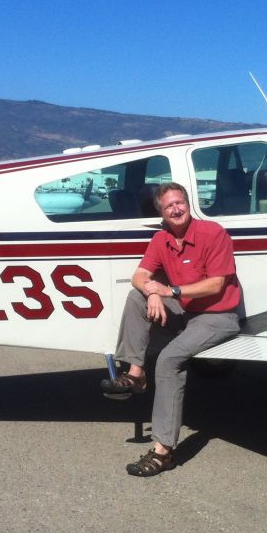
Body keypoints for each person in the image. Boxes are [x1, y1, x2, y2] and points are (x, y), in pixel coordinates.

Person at [101, 182, 241, 476]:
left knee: (168, 359)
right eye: (169, 206)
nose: (176, 209)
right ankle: (135, 374)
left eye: (180, 203)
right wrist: (153, 292)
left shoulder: (212, 233)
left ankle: (163, 451)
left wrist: (169, 291)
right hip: (187, 310)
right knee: (136, 296)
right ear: (162, 213)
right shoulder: (161, 239)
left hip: (218, 315)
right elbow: (140, 275)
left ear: (188, 204)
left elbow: (216, 284)